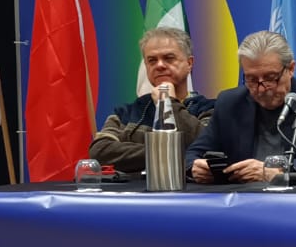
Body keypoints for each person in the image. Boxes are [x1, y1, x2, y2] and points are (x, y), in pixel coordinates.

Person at [186, 30, 296, 182]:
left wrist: (279, 170)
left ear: (291, 69)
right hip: (242, 197)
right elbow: (192, 155)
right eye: (251, 79)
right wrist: (195, 167)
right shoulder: (230, 102)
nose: (261, 89)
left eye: (270, 78)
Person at [88, 27, 214, 172]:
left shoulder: (211, 109)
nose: (159, 65)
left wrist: (168, 102)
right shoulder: (125, 112)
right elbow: (100, 151)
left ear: (189, 63)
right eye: (152, 60)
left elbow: (204, 147)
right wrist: (169, 153)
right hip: (134, 186)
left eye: (169, 58)